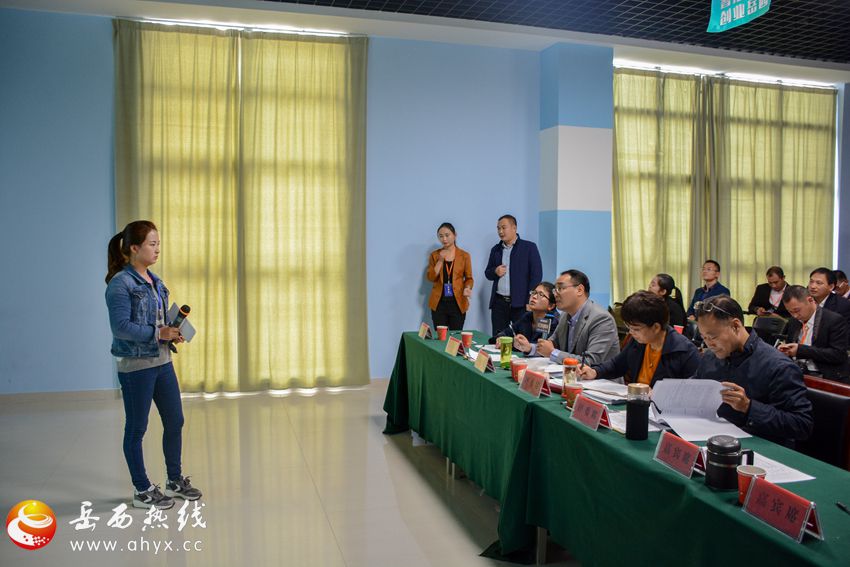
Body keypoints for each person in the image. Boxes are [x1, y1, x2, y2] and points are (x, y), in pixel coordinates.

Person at [105, 221, 202, 510]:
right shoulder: (120, 284)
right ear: (134, 248)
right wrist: (158, 333)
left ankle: (174, 481)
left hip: (162, 362)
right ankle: (142, 489)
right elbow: (121, 327)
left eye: (158, 243)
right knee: (137, 429)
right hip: (136, 367)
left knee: (175, 421)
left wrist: (173, 331)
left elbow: (159, 321)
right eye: (151, 244)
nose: (157, 249)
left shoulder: (155, 281)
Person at [692, 296, 812, 447]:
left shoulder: (778, 366)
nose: (709, 344)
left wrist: (748, 407)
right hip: (712, 437)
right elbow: (696, 386)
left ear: (735, 325)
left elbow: (801, 424)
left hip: (760, 447)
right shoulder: (710, 357)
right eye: (704, 337)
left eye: (713, 337)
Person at [578, 291, 699, 387]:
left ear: (656, 327)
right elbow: (617, 365)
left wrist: (660, 394)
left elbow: (691, 391)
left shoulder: (684, 351)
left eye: (636, 329)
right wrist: (595, 372)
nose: (631, 332)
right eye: (629, 327)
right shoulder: (639, 342)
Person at [515, 269, 619, 366]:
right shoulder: (565, 315)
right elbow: (552, 344)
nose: (555, 294)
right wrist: (530, 348)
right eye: (555, 290)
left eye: (560, 288)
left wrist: (553, 353)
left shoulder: (601, 319)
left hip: (599, 379)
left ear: (579, 290)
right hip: (569, 376)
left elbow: (590, 361)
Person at [484, 214, 542, 335]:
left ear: (514, 228)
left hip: (521, 304)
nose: (500, 231)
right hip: (499, 303)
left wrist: (530, 300)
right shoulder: (496, 249)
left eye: (503, 227)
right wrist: (495, 271)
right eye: (498, 228)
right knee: (498, 338)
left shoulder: (529, 247)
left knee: (522, 337)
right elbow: (488, 273)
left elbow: (536, 276)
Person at [779, 285, 849, 382]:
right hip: (797, 371)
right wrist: (786, 350)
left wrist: (801, 350)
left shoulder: (833, 320)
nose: (795, 316)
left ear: (810, 300)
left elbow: (838, 355)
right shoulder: (794, 321)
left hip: (824, 375)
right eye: (790, 312)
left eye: (797, 310)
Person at [426, 223, 473, 330]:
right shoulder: (434, 255)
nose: (444, 239)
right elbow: (431, 278)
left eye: (447, 235)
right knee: (440, 336)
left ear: (455, 235)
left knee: (456, 336)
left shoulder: (464, 256)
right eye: (441, 236)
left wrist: (467, 288)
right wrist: (440, 260)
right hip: (439, 303)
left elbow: (469, 278)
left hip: (458, 303)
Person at [492, 282, 560, 346]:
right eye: (534, 292)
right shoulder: (527, 316)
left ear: (551, 306)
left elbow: (538, 346)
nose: (534, 296)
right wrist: (500, 338)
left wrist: (509, 342)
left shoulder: (554, 322)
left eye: (541, 295)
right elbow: (508, 332)